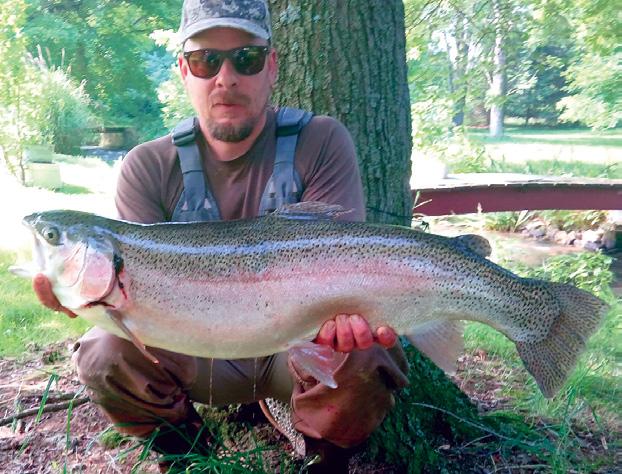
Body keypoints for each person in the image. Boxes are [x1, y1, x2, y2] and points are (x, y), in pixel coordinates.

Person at [33, 0, 409, 471]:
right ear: (183, 71)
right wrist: (85, 299)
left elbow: (348, 261)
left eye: (246, 58)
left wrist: (348, 321)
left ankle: (325, 462)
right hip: (197, 357)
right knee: (103, 351)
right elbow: (131, 315)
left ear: (271, 67)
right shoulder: (147, 166)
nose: (225, 78)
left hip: (298, 352)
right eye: (205, 60)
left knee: (364, 351)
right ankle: (188, 459)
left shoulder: (321, 142)